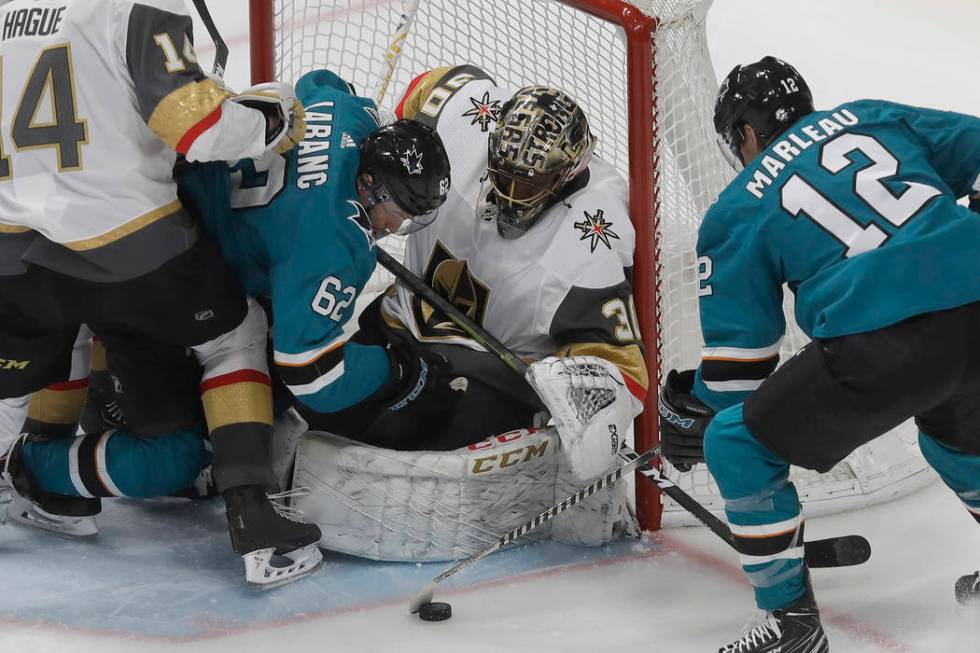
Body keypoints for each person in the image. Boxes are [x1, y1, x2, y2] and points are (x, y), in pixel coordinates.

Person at [1, 67, 453, 578]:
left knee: (79, 324)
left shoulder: (356, 114)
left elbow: (322, 81)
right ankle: (29, 467)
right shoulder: (331, 244)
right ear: (369, 180)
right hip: (161, 265)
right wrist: (393, 370)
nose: (395, 227)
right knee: (183, 442)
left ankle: (87, 419)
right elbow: (313, 375)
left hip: (108, 215)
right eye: (395, 210)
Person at [657, 56, 980, 652]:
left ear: (746, 135)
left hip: (886, 345)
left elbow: (740, 376)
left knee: (736, 443)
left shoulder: (737, 207)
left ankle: (792, 629)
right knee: (956, 434)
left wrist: (688, 410)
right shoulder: (871, 116)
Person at [0, 0, 318, 587]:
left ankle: (38, 485)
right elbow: (192, 124)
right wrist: (267, 125)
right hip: (125, 244)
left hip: (13, 243)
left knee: (41, 339)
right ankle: (252, 513)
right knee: (233, 334)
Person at [281, 65, 649, 563]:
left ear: (567, 174)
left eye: (531, 181)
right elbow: (427, 90)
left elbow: (624, 372)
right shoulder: (467, 120)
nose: (512, 192)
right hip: (397, 323)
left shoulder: (591, 238)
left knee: (398, 439)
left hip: (485, 376)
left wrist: (578, 392)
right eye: (505, 173)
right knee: (304, 393)